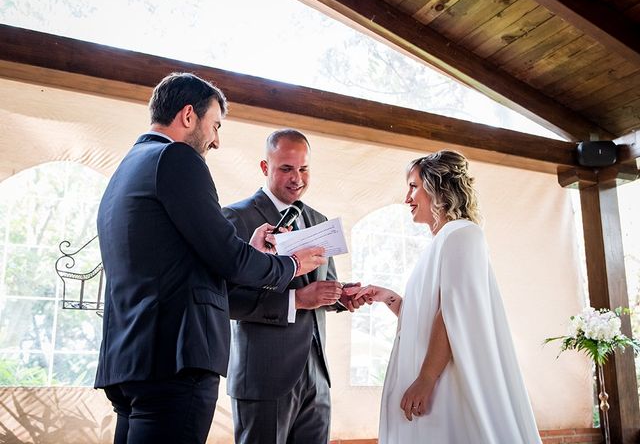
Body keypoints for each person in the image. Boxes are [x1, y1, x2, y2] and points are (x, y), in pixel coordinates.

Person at [95, 73, 327, 444]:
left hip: (129, 358)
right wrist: (293, 265)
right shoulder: (176, 158)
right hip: (175, 357)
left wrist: (248, 250)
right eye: (215, 125)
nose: (216, 140)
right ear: (189, 116)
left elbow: (181, 257)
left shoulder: (128, 167)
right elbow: (229, 259)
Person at [355, 150, 541, 444]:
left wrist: (426, 378)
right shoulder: (441, 242)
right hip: (431, 381)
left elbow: (454, 313)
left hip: (446, 385)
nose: (407, 198)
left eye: (413, 186)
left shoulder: (463, 234)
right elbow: (427, 316)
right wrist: (389, 298)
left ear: (437, 187)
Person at [222, 129, 362, 444]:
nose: (297, 177)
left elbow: (323, 288)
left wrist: (342, 296)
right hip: (263, 376)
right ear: (264, 167)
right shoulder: (235, 218)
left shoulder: (319, 219)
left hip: (317, 377)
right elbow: (228, 299)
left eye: (304, 168)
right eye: (286, 168)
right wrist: (296, 300)